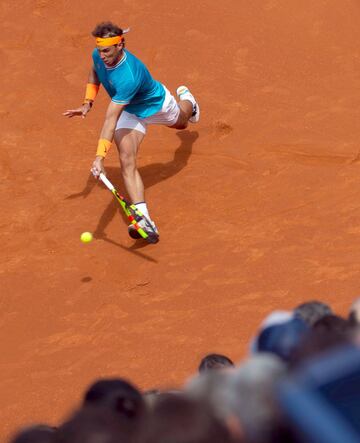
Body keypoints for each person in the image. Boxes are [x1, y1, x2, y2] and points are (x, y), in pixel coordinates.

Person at [63, 21, 200, 240]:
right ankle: (143, 219)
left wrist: (99, 157)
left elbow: (110, 119)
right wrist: (87, 102)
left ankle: (189, 102)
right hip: (130, 111)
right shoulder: (99, 55)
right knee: (127, 159)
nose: (102, 55)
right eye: (100, 50)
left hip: (156, 106)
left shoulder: (129, 75)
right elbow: (95, 74)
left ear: (120, 46)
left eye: (107, 51)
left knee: (182, 123)